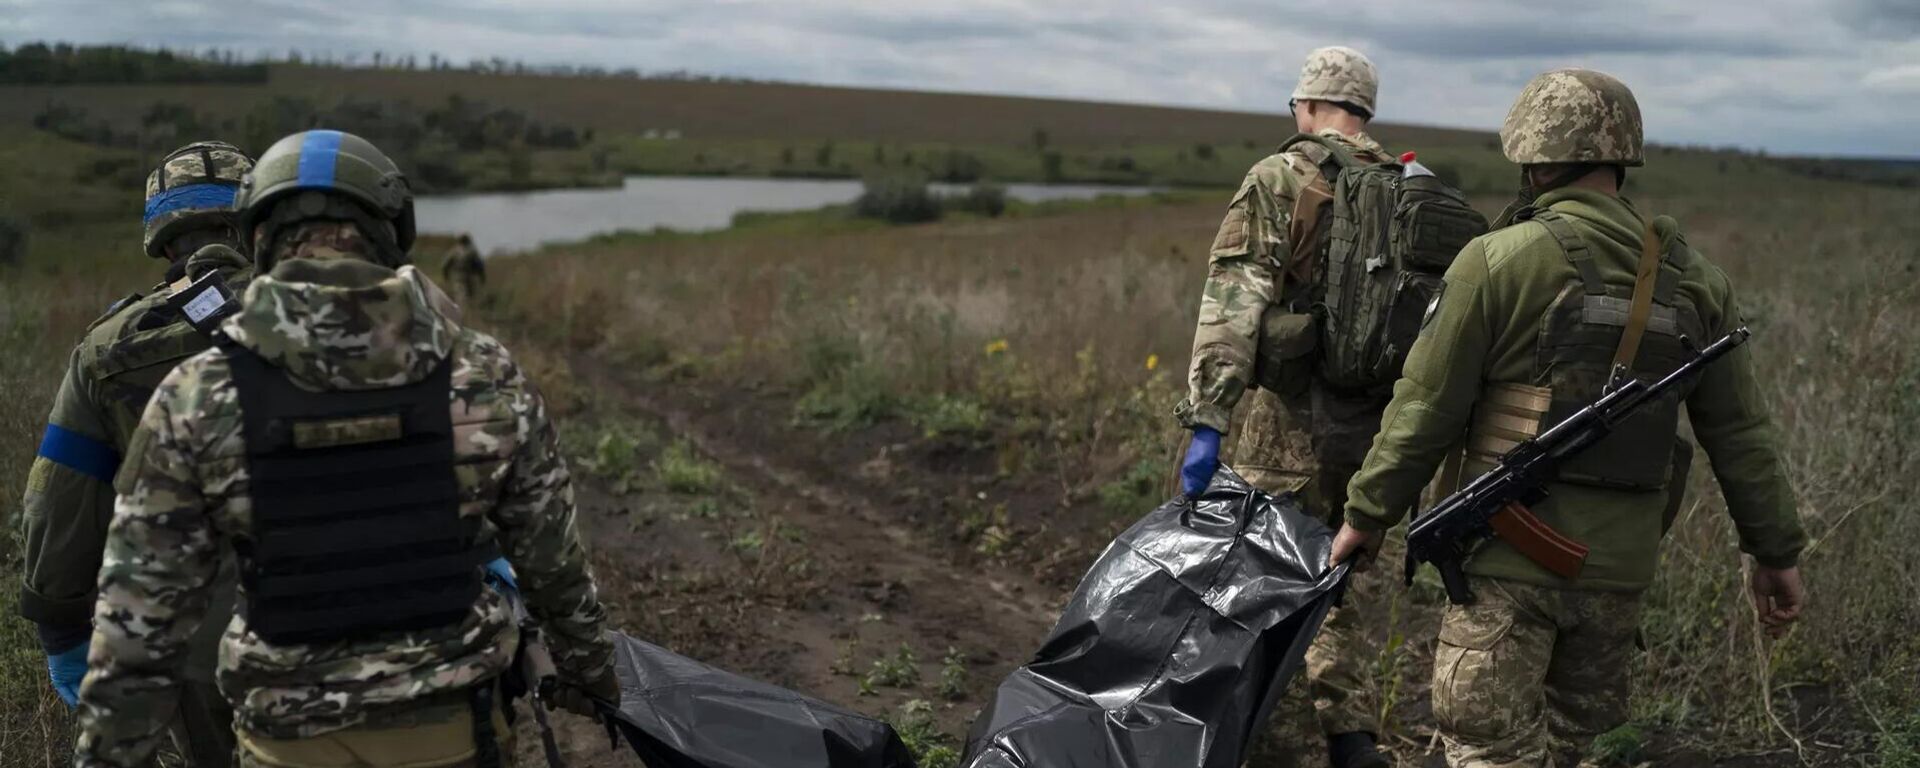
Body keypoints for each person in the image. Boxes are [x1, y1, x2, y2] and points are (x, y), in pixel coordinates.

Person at [73, 129, 620, 768]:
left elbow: (139, 627)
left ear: (260, 238)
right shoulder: (482, 372)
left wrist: (110, 755)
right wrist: (590, 673)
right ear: (392, 230)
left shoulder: (197, 395)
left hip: (284, 744)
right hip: (455, 734)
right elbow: (554, 566)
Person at [1330, 69, 1808, 766]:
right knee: (1591, 748)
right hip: (1619, 574)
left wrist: (1365, 516)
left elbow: (1426, 408)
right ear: (1622, 157)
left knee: (1488, 746)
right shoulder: (1698, 282)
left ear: (1534, 156)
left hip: (1505, 563)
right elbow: (1739, 435)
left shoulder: (1499, 260)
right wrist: (1775, 553)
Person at [1174, 45, 1393, 768]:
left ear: (1304, 105)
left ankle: (1238, 735)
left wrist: (1209, 418)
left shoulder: (1279, 176)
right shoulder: (1406, 186)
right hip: (1376, 430)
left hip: (1289, 423)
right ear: (1363, 110)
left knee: (1256, 576)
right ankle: (1350, 735)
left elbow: (1234, 301)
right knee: (1335, 579)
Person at [18, 140, 255, 766]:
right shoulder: (334, 310)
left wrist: (61, 625)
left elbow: (58, 498)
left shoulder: (110, 346)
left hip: (197, 638)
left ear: (160, 233)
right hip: (363, 611)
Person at [443, 233, 487, 301]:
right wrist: (482, 277)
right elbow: (480, 266)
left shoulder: (454, 251)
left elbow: (445, 265)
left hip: (458, 277)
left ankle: (462, 309)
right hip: (469, 276)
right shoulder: (472, 251)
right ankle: (468, 309)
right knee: (470, 296)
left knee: (460, 296)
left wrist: (446, 276)